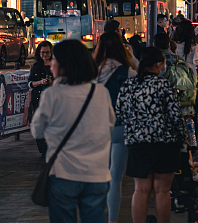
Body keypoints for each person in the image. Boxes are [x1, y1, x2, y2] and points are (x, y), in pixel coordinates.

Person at [31, 40, 115, 223]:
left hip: (63, 173)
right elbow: (110, 124)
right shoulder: (100, 92)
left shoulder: (52, 95)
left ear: (63, 65)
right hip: (97, 173)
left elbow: (37, 130)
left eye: (54, 59)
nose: (51, 63)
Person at [116, 47, 187, 223]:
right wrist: (182, 139)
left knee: (140, 190)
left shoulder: (129, 85)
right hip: (164, 143)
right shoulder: (164, 85)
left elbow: (120, 113)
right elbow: (175, 116)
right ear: (157, 64)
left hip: (138, 142)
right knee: (162, 190)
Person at [95, 32, 138, 223]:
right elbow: (143, 81)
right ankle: (112, 220)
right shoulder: (127, 71)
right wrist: (133, 58)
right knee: (115, 177)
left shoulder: (91, 71)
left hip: (95, 128)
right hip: (120, 127)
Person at [29, 40, 55, 157]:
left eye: (47, 52)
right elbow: (29, 83)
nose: (45, 55)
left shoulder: (57, 65)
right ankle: (43, 151)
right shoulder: (36, 67)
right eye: (43, 52)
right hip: (38, 101)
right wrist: (40, 82)